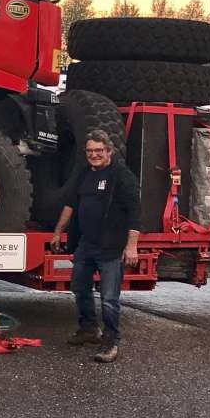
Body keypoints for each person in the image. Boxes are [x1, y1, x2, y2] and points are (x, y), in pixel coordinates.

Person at [51, 129, 141, 364]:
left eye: (99, 150)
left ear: (109, 151)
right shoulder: (83, 174)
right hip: (86, 245)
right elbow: (70, 204)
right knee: (79, 288)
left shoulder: (122, 176)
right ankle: (89, 328)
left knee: (109, 298)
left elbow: (135, 212)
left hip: (111, 248)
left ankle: (111, 342)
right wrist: (58, 231)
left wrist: (132, 246)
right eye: (90, 151)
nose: (94, 155)